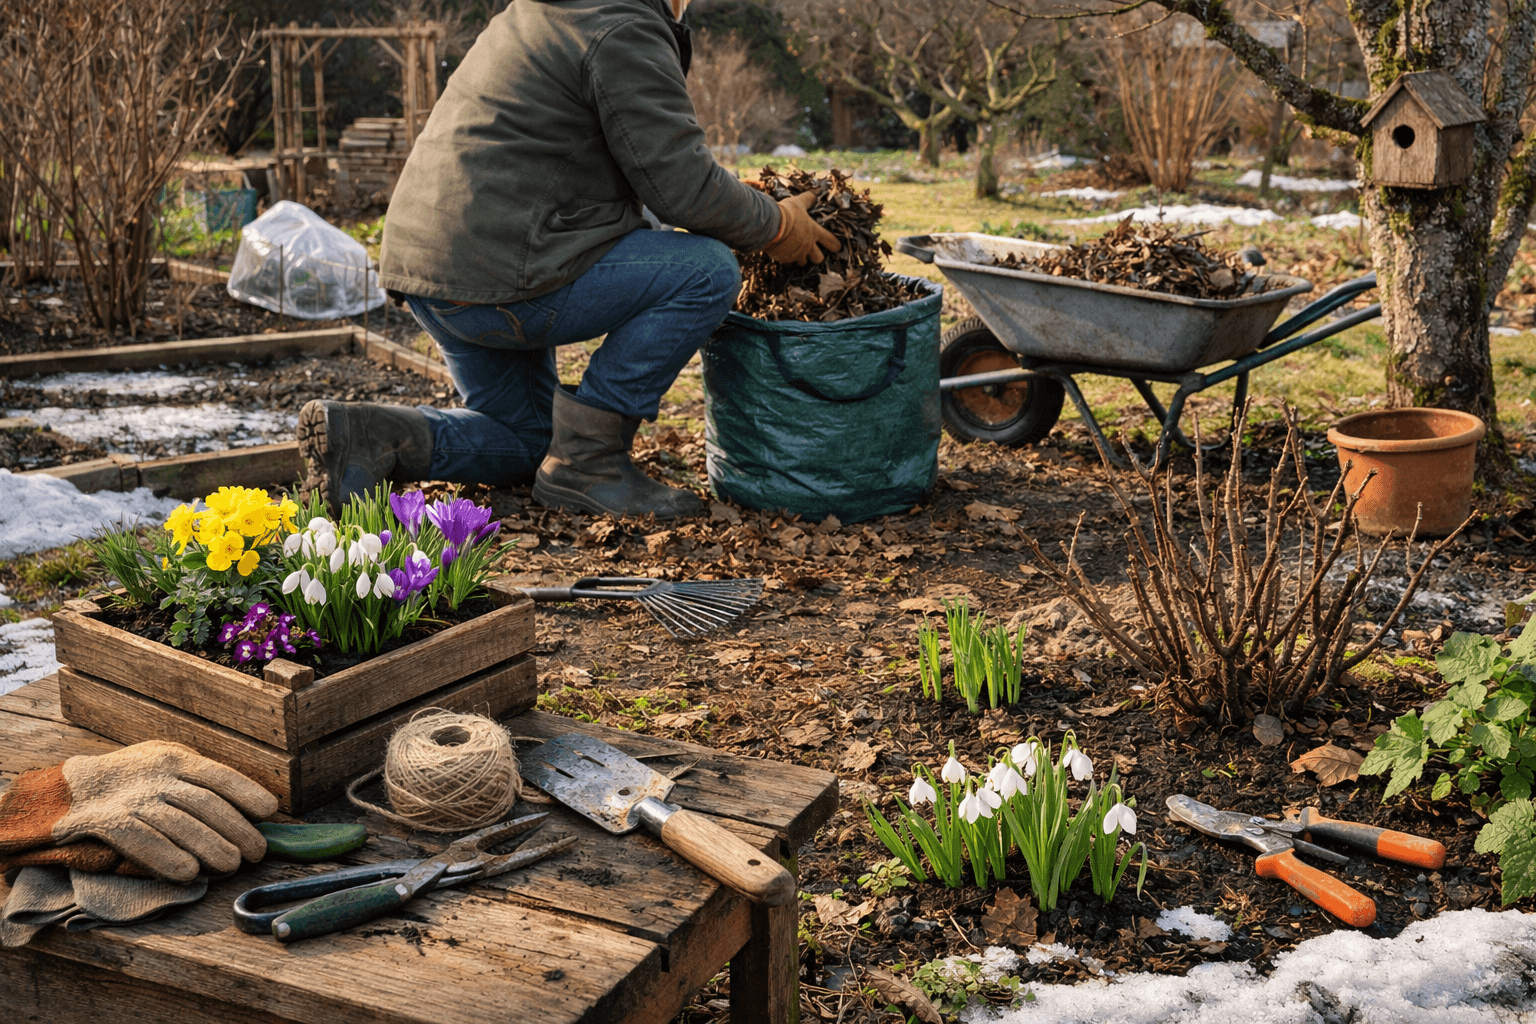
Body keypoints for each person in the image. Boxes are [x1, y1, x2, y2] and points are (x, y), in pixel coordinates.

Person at [297, 0, 839, 519]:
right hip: (502, 278)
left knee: (527, 441)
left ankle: (374, 436)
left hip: (437, 277)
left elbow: (623, 162)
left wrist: (726, 194)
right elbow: (682, 189)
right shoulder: (623, 27)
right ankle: (589, 462)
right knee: (707, 271)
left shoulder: (541, 11)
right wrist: (779, 226)